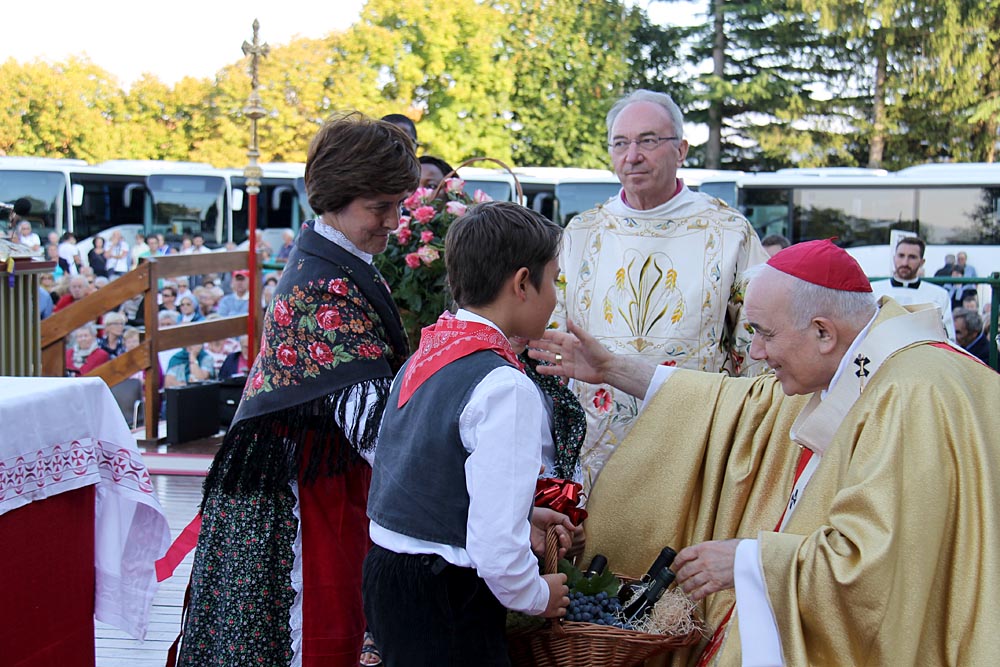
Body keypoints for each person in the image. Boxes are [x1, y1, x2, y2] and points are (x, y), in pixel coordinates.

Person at [531, 239, 1000, 666]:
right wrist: (612, 369)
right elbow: (743, 404)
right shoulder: (869, 368)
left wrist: (747, 561)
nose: (754, 351)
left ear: (823, 332)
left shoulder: (909, 396)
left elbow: (879, 571)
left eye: (765, 333)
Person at [178, 112, 420, 667]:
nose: (393, 221)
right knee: (312, 636)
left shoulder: (336, 258)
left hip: (316, 473)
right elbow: (377, 433)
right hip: (298, 497)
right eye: (380, 207)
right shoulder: (321, 287)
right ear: (337, 197)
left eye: (398, 205)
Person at [363, 201, 573, 666]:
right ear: (522, 283)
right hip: (447, 594)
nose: (556, 297)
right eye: (554, 280)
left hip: (388, 572)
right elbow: (496, 550)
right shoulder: (505, 386)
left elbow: (427, 478)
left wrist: (522, 516)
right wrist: (538, 594)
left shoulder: (426, 354)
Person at [554, 88, 768, 491]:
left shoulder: (728, 231)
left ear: (681, 150)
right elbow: (553, 331)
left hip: (694, 441)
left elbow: (757, 342)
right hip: (597, 446)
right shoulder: (582, 232)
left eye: (648, 141)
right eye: (620, 143)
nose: (632, 156)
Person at [868, 236, 955, 339]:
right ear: (894, 258)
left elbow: (949, 337)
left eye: (912, 257)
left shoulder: (939, 295)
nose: (905, 262)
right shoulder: (873, 291)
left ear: (922, 262)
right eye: (901, 256)